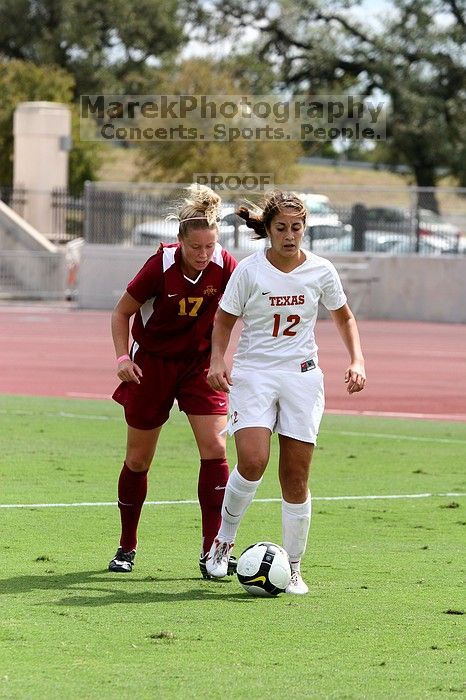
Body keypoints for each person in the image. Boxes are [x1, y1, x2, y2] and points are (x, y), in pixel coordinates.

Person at [204, 190, 366, 594]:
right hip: (255, 374)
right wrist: (217, 360)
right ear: (269, 229)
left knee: (295, 477)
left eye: (297, 228)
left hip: (302, 377)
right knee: (254, 460)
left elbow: (344, 316)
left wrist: (357, 360)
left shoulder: (322, 271)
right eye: (281, 228)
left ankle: (293, 567)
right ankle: (222, 543)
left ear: (304, 228)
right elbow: (223, 320)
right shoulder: (249, 270)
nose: (290, 236)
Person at [108, 185, 237, 577]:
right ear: (180, 242)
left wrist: (219, 357)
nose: (204, 254)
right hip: (153, 364)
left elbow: (230, 316)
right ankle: (127, 545)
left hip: (199, 366)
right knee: (138, 458)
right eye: (196, 247)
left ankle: (212, 550)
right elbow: (121, 314)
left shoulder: (226, 264)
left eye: (210, 246)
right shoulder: (158, 266)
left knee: (215, 447)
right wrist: (122, 356)